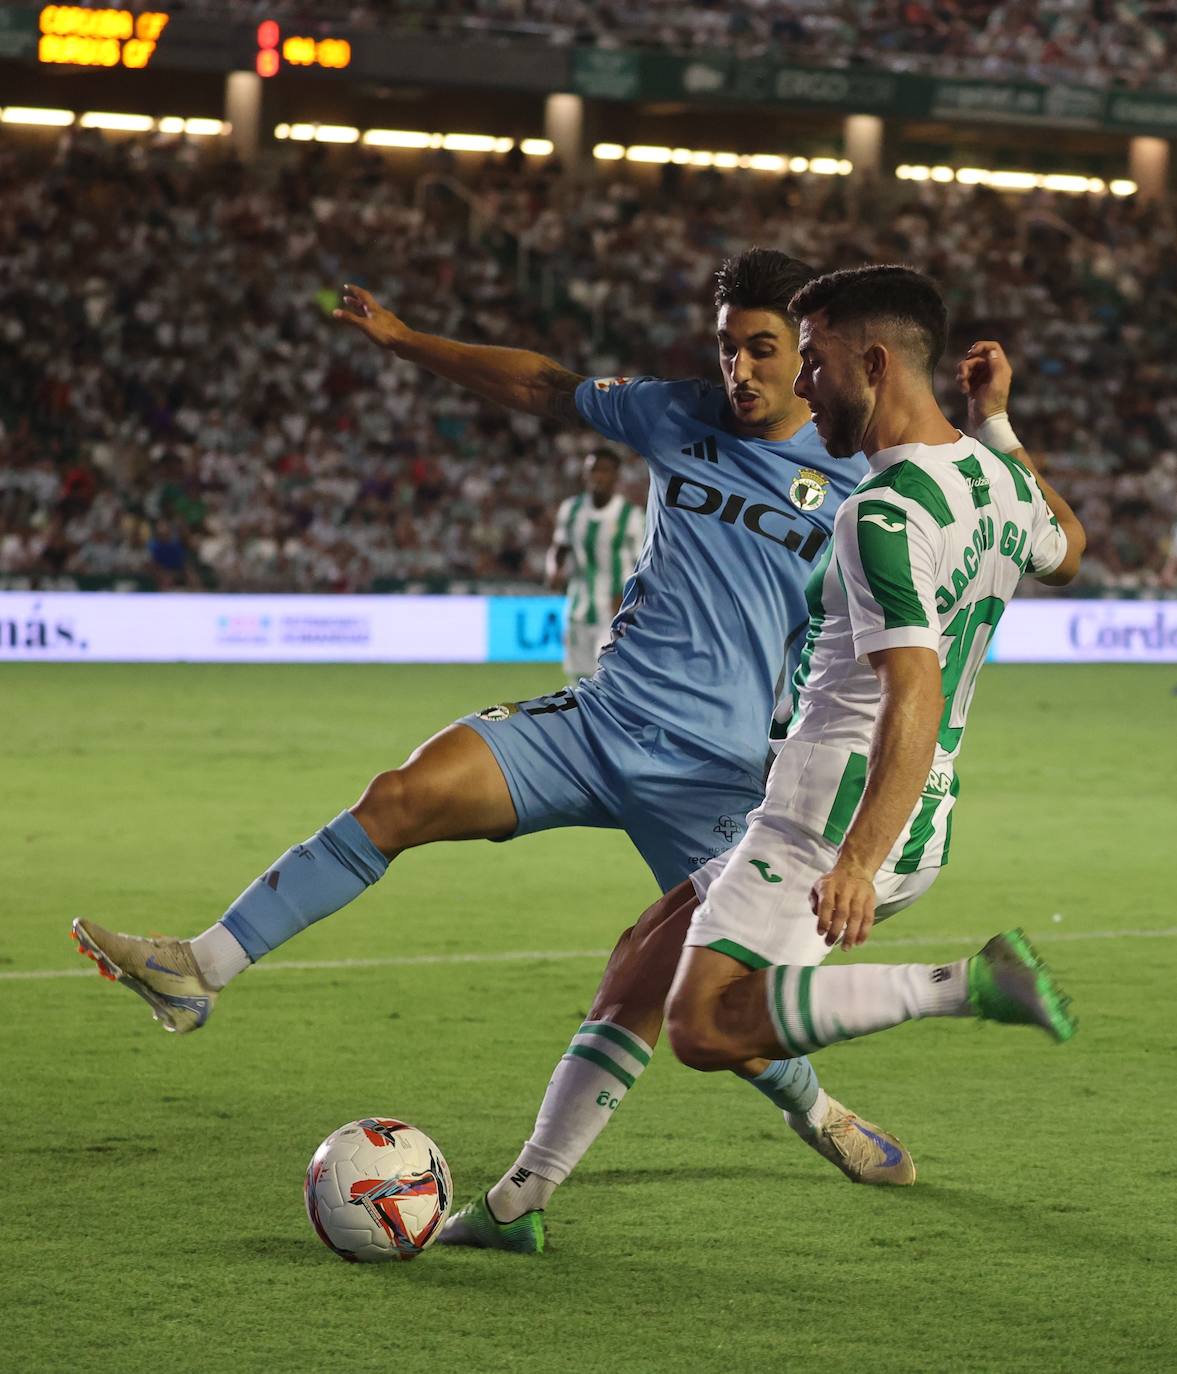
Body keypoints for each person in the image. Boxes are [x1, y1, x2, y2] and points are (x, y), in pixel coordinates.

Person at [71, 248, 894, 1259]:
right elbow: (542, 384)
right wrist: (407, 340)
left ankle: (818, 1115)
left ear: (806, 353)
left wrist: (994, 427)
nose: (740, 371)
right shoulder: (672, 413)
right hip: (597, 724)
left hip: (720, 778)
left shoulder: (861, 472)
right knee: (402, 794)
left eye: (762, 350)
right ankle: (200, 967)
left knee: (714, 1007)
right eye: (726, 347)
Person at [661, 267, 1084, 1096]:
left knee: (702, 1023)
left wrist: (853, 861)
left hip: (832, 810)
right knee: (649, 947)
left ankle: (964, 984)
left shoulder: (883, 511)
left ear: (875, 363)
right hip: (921, 811)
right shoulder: (997, 479)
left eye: (815, 359)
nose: (803, 384)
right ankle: (522, 1194)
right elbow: (1067, 548)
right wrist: (993, 420)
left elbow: (912, 690)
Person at [546, 449, 645, 683]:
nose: (598, 477)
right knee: (577, 680)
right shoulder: (571, 510)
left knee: (605, 679)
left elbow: (642, 564)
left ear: (616, 476)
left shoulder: (630, 516)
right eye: (593, 471)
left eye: (604, 471)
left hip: (613, 611)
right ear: (584, 475)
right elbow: (559, 547)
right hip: (578, 608)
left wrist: (625, 598)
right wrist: (553, 570)